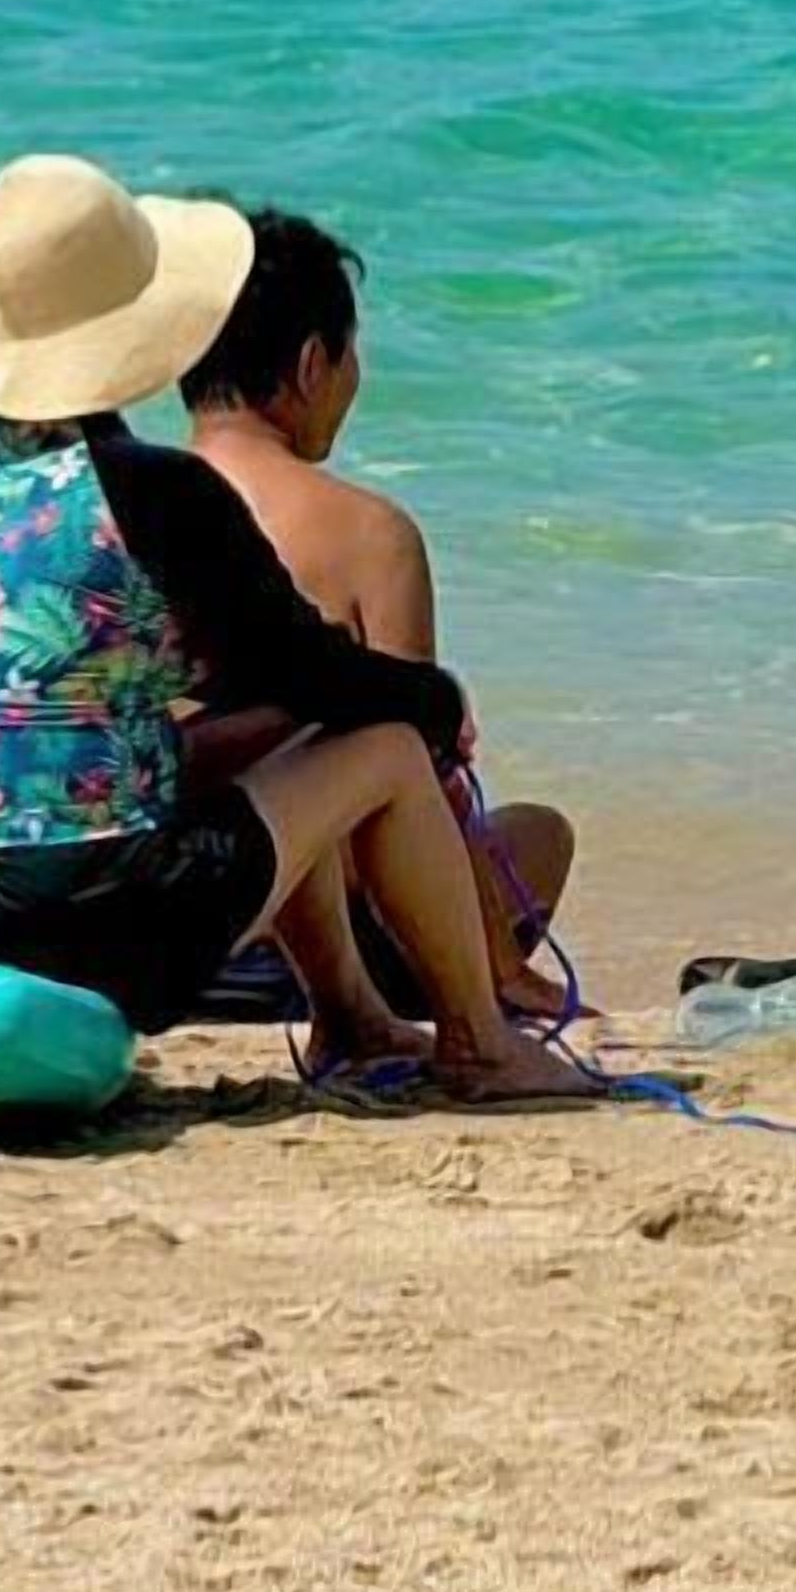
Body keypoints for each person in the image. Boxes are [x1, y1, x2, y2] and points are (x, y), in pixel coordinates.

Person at [0, 154, 582, 1097]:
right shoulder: (153, 489)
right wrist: (437, 701)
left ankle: (356, 1022)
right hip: (85, 924)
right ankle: (480, 1045)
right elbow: (317, 674)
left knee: (283, 743)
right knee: (385, 744)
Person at [180, 205, 578, 1007]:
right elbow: (421, 785)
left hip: (168, 929)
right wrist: (498, 961)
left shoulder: (131, 505)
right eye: (352, 354)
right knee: (540, 835)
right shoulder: (370, 532)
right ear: (311, 364)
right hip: (329, 956)